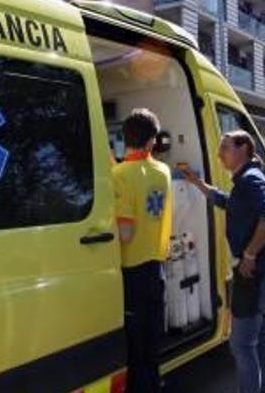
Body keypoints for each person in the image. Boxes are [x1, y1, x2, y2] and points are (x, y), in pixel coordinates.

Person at [180, 131, 265, 393]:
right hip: (264, 272)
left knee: (241, 344)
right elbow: (230, 203)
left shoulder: (249, 180)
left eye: (225, 147)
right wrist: (198, 183)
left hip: (255, 273)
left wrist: (249, 254)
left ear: (243, 148)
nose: (219, 153)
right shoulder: (246, 180)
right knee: (260, 337)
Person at [113, 108, 172, 393]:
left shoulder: (119, 174)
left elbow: (125, 233)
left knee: (134, 345)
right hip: (156, 266)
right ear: (152, 141)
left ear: (124, 138)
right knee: (152, 339)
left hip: (131, 270)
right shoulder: (164, 172)